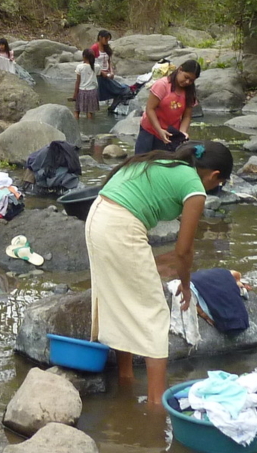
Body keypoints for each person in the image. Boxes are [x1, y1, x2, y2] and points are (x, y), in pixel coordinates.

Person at [85, 141, 234, 410]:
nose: (214, 190)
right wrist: (187, 287)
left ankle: (126, 380)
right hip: (120, 226)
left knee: (121, 302)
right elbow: (183, 251)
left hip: (97, 216)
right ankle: (156, 406)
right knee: (154, 312)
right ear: (214, 176)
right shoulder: (195, 188)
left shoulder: (167, 161)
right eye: (219, 184)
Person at [135, 60, 199, 154]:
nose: (187, 82)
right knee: (142, 163)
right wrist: (159, 130)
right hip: (150, 131)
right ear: (180, 70)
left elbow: (187, 116)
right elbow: (150, 109)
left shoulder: (189, 92)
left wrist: (182, 133)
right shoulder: (162, 85)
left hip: (170, 133)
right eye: (186, 77)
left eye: (191, 80)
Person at [91, 30, 130, 110]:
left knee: (122, 89)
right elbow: (91, 64)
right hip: (98, 76)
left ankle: (113, 105)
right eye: (106, 38)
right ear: (100, 37)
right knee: (96, 96)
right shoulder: (94, 48)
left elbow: (109, 62)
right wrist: (101, 73)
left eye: (108, 39)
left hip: (107, 75)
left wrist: (111, 71)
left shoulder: (107, 48)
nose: (107, 41)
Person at [73, 49, 99, 119]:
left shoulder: (80, 67)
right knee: (89, 112)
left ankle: (76, 125)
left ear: (84, 56)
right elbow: (97, 76)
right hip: (92, 92)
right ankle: (89, 127)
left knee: (77, 111)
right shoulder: (97, 67)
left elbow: (78, 81)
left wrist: (75, 94)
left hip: (82, 91)